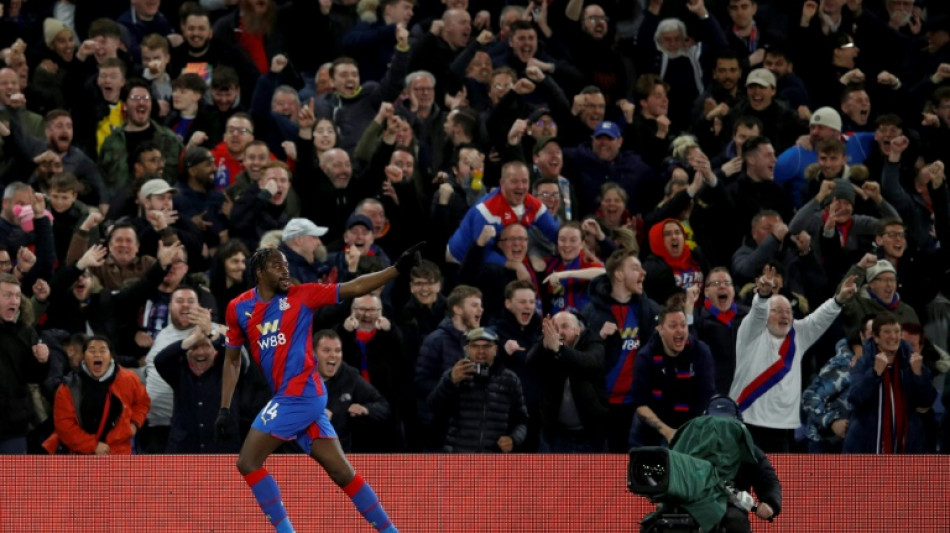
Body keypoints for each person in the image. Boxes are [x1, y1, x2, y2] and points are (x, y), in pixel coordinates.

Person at [218, 242, 424, 533]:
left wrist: (396, 269)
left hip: (301, 394)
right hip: (292, 397)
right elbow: (232, 359)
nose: (285, 270)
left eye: (287, 265)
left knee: (247, 462)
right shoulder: (238, 308)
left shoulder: (302, 295)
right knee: (342, 472)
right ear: (260, 272)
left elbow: (354, 287)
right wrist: (225, 407)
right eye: (278, 266)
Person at [729, 265, 858, 452]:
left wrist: (838, 300)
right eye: (777, 311)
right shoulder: (751, 332)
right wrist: (763, 296)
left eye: (788, 311)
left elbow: (819, 319)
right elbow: (757, 313)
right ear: (767, 313)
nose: (785, 315)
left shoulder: (798, 334)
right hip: (746, 421)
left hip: (782, 427)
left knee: (775, 473)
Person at [844, 312, 938, 454]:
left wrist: (918, 375)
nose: (893, 336)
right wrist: (875, 374)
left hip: (906, 445)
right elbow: (855, 398)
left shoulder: (912, 362)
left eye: (897, 331)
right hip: (868, 446)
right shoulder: (864, 362)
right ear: (876, 337)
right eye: (887, 332)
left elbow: (927, 400)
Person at [427, 327, 528, 453]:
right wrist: (450, 381)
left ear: (495, 349)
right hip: (458, 456)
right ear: (467, 349)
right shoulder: (454, 374)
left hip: (493, 458)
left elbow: (522, 420)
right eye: (475, 346)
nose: (481, 351)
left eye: (486, 346)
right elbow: (433, 407)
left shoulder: (510, 379)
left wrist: (513, 439)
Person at [629, 304, 715, 448]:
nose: (679, 330)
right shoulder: (646, 356)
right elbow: (640, 404)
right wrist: (667, 432)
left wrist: (687, 433)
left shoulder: (700, 352)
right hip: (651, 433)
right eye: (673, 326)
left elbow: (706, 395)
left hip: (691, 427)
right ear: (660, 329)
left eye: (683, 325)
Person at [49, 335, 150, 455]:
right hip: (80, 455)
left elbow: (143, 402)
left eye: (102, 350)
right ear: (83, 357)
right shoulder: (67, 388)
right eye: (92, 351)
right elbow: (64, 426)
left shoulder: (129, 379)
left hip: (119, 453)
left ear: (111, 356)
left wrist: (135, 424)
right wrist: (93, 446)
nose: (97, 354)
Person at [526, 311, 607, 452]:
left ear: (578, 330)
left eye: (564, 326)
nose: (559, 332)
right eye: (555, 327)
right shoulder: (548, 344)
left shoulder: (592, 342)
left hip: (591, 435)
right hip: (555, 435)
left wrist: (560, 349)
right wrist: (543, 343)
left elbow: (590, 362)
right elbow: (530, 363)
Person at [314, 329, 391, 453]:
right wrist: (310, 414)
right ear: (313, 354)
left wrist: (366, 409)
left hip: (340, 454)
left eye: (337, 351)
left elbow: (383, 406)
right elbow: (280, 411)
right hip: (300, 455)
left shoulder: (350, 376)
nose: (333, 355)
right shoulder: (296, 376)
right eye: (326, 350)